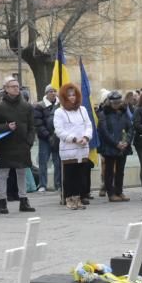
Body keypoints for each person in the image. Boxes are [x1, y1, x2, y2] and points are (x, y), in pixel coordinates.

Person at [0, 76, 36, 214]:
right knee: (3, 174)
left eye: (17, 86)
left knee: (22, 172)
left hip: (23, 145)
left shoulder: (26, 106)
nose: (16, 88)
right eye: (12, 86)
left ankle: (24, 201)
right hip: (6, 145)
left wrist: (29, 142)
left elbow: (32, 127)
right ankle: (3, 202)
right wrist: (6, 127)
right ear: (6, 89)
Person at [54, 82, 95, 210]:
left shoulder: (82, 110)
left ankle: (78, 198)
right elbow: (59, 130)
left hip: (82, 148)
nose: (72, 97)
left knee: (80, 175)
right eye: (69, 95)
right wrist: (73, 139)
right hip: (69, 149)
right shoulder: (59, 112)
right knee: (69, 175)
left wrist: (86, 137)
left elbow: (88, 125)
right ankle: (69, 198)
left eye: (74, 95)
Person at [96, 91, 134, 202]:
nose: (116, 105)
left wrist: (126, 141)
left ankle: (119, 191)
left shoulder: (123, 113)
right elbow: (104, 131)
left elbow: (130, 128)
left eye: (118, 102)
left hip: (123, 145)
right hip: (110, 146)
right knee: (109, 171)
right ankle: (111, 193)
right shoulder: (104, 114)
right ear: (109, 102)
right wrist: (116, 143)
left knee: (120, 170)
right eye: (114, 103)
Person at [33, 84, 58, 194]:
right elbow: (38, 124)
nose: (53, 93)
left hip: (57, 138)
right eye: (50, 91)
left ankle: (58, 184)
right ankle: (42, 184)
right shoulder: (40, 106)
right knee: (43, 162)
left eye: (54, 91)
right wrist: (48, 135)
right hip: (44, 139)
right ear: (46, 93)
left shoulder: (60, 105)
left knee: (58, 162)